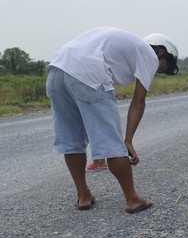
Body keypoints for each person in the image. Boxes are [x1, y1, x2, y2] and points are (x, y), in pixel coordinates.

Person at [46, 26, 179, 213]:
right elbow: (138, 102)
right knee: (112, 144)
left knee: (72, 139)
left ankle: (84, 196)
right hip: (88, 71)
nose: (158, 71)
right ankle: (133, 199)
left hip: (56, 69)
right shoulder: (149, 55)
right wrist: (128, 140)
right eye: (164, 66)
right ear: (160, 50)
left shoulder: (127, 45)